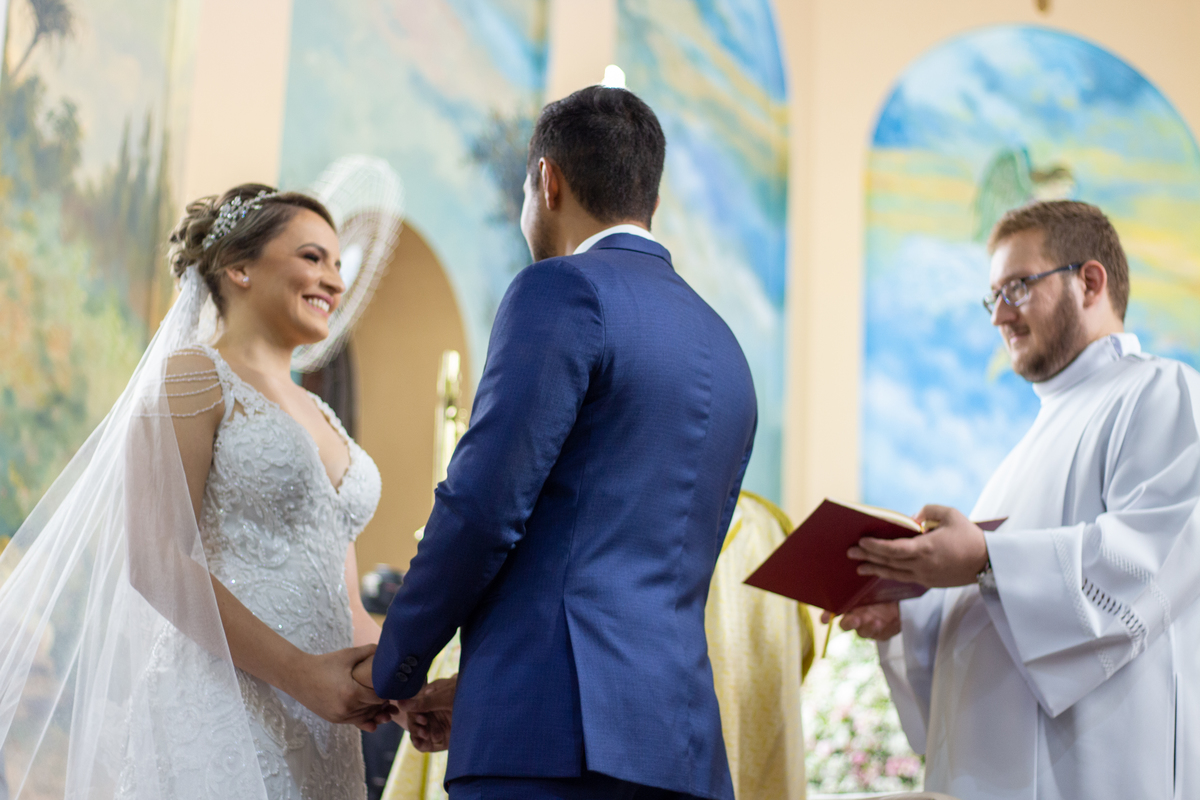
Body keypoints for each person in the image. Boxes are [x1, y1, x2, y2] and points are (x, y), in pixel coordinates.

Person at [356, 86, 759, 800]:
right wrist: (484, 688)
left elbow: (483, 507)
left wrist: (395, 668)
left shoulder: (560, 290)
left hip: (549, 755)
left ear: (548, 182)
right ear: (650, 202)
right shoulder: (725, 347)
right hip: (681, 750)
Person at [0, 184, 393, 798]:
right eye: (313, 258)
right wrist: (302, 676)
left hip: (321, 720)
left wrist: (405, 683)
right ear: (239, 267)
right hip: (224, 702)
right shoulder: (193, 376)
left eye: (338, 265)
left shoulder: (323, 415)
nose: (334, 281)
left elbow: (344, 602)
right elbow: (155, 561)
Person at [838, 200, 1200, 799]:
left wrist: (985, 557)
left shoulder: (1164, 394)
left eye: (1018, 287)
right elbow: (994, 608)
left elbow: (1145, 568)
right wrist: (907, 615)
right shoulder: (1025, 450)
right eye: (993, 296)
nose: (999, 315)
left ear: (1089, 281)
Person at [379, 491, 816, 800]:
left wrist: (397, 673)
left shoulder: (574, 515)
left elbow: (483, 511)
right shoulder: (759, 529)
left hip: (538, 755)